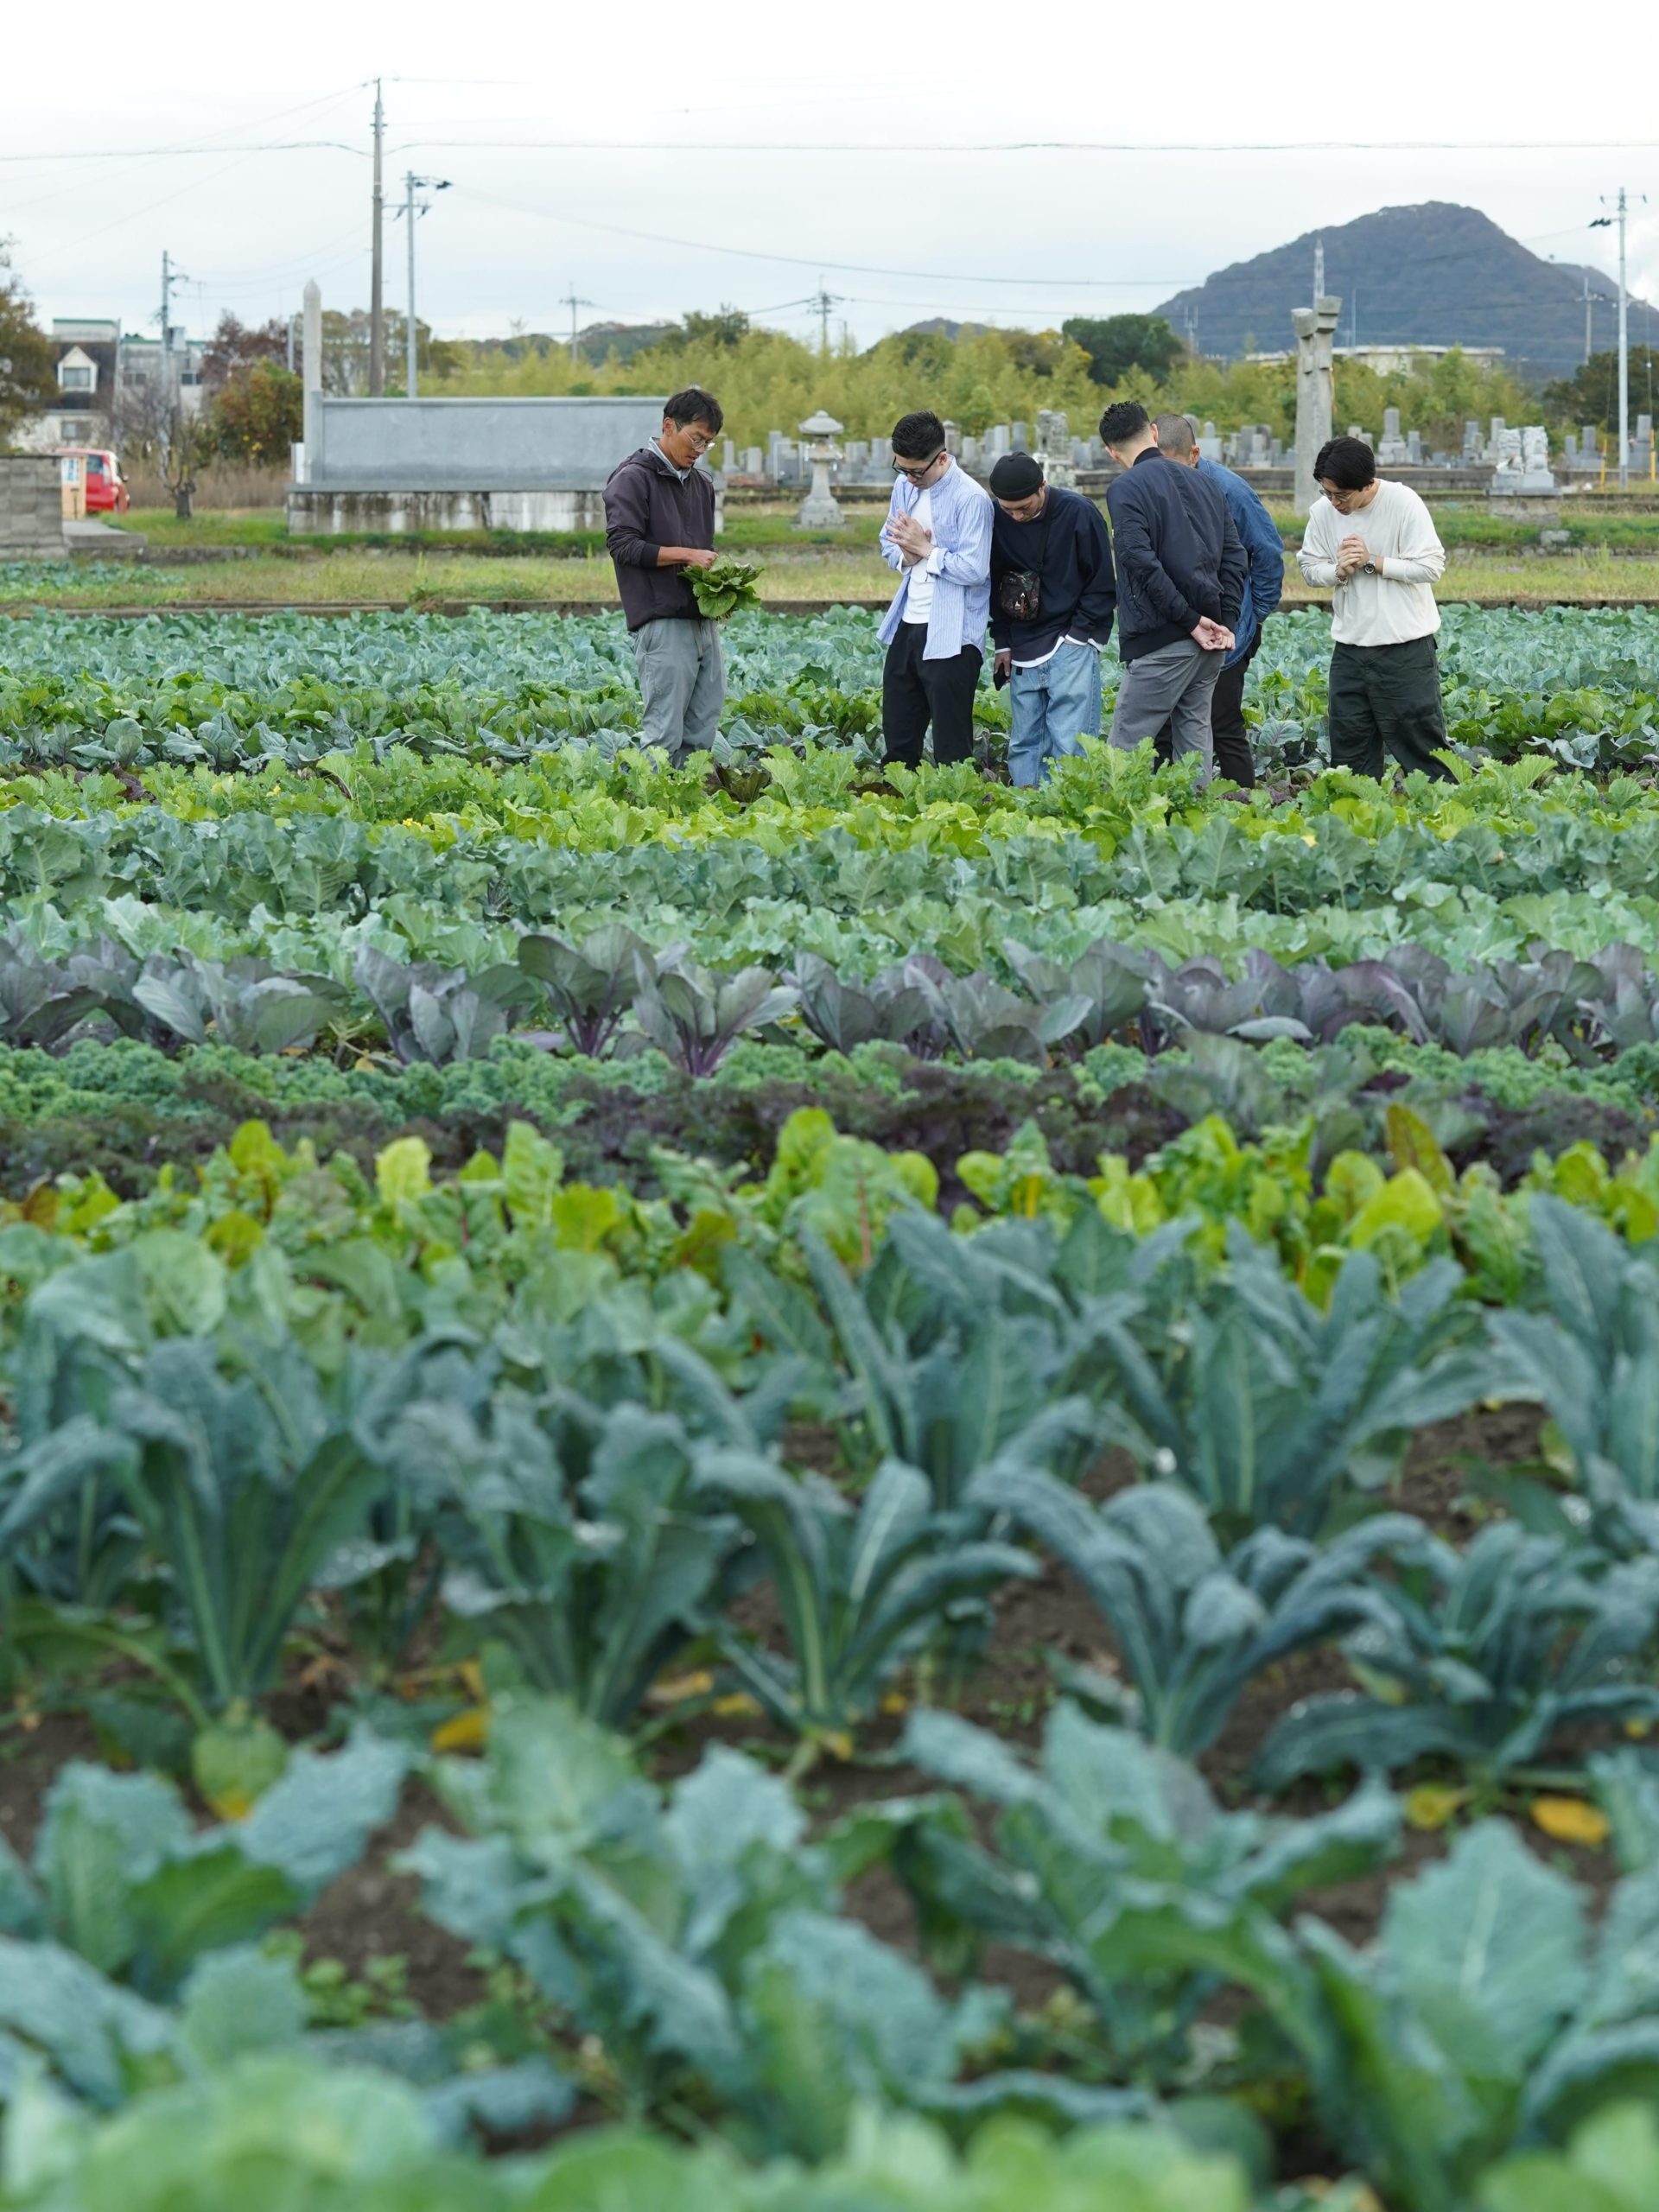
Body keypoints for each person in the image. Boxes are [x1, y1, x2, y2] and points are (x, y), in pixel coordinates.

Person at [1098, 401, 1245, 772]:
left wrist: (1189, 620)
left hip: (1163, 641)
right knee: (1194, 748)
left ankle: (1121, 813)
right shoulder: (1206, 482)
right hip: (1210, 641)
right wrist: (1225, 620)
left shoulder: (1125, 487)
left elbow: (1138, 560)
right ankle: (1195, 810)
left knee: (1124, 753)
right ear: (1153, 431)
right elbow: (1235, 556)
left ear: (1111, 452)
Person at [1296, 435, 1450, 781]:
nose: (1334, 502)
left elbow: (1431, 567)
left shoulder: (1403, 503)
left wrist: (1372, 562)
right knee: (1349, 750)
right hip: (1349, 649)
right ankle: (1358, 811)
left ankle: (1442, 808)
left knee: (1421, 746)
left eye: (1341, 495)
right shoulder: (1322, 512)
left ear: (1367, 484)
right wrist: (1338, 571)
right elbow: (1309, 568)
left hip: (1405, 648)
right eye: (1327, 493)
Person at [1150, 411, 1283, 788]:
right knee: (1162, 728)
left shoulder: (1229, 490)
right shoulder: (1151, 485)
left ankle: (1244, 806)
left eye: (1173, 466)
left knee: (1222, 723)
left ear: (1194, 454)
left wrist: (1255, 616)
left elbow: (1268, 551)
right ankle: (1165, 804)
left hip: (1228, 627)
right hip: (1175, 626)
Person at [603, 388, 725, 766]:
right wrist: (687, 555)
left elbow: (703, 550)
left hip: (701, 620)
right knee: (663, 733)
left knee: (702, 729)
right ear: (669, 426)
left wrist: (720, 593)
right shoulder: (633, 478)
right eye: (696, 439)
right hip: (661, 619)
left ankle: (686, 798)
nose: (700, 449)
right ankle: (649, 798)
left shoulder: (701, 484)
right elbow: (623, 545)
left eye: (708, 443)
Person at [988, 452, 1116, 786]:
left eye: (1024, 507)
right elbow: (994, 580)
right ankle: (1027, 804)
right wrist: (1002, 642)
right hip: (1022, 642)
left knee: (1071, 742)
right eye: (1008, 509)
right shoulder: (997, 516)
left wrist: (1078, 636)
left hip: (1071, 639)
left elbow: (1102, 582)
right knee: (1024, 742)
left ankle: (1067, 809)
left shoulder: (1079, 512)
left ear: (1042, 486)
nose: (1016, 516)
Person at [878, 410, 994, 770]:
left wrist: (927, 551)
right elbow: (887, 543)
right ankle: (897, 799)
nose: (909, 479)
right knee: (898, 735)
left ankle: (955, 803)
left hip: (953, 633)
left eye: (916, 472)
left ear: (942, 458)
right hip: (908, 621)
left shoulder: (971, 498)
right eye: (902, 469)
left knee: (951, 747)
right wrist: (908, 556)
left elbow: (975, 569)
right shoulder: (904, 487)